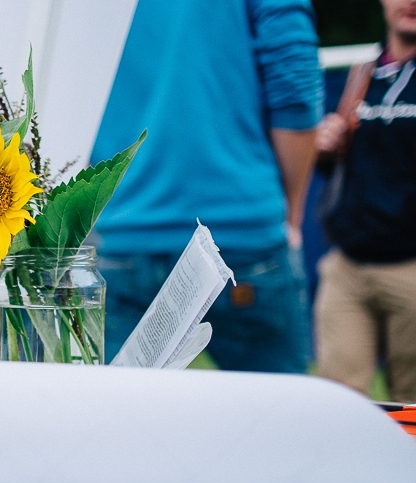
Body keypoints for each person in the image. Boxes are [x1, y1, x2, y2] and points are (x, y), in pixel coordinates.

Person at [89, 0, 323, 372]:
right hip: (241, 232)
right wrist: (291, 213)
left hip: (118, 234)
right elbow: (294, 88)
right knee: (276, 422)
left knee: (122, 424)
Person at [313, 0, 416, 403]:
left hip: (411, 268)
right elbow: (341, 170)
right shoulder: (361, 75)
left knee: (411, 413)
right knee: (340, 409)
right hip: (348, 267)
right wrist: (325, 147)